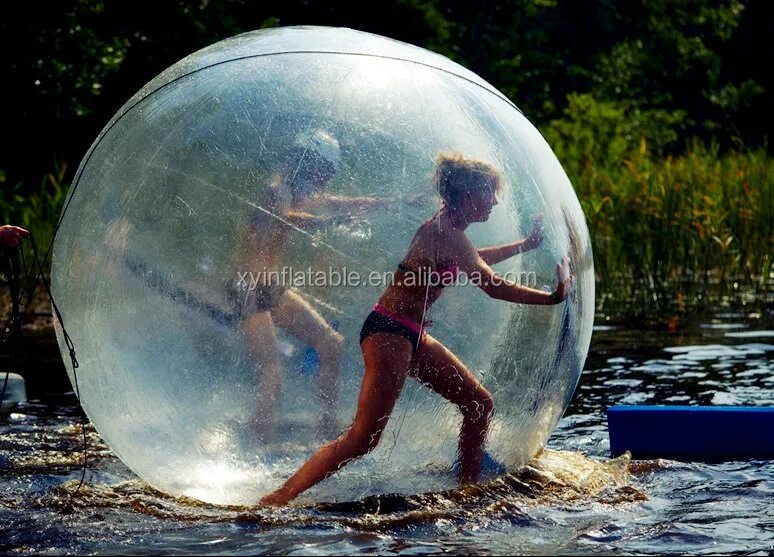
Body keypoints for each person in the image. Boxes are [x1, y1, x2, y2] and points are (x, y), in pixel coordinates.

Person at [259, 152, 574, 506]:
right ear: (468, 196)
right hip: (389, 334)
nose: (496, 201)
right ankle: (278, 498)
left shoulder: (450, 232)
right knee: (362, 439)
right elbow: (491, 283)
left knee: (478, 404)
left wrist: (525, 245)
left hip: (408, 333)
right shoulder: (444, 232)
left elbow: (474, 257)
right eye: (490, 193)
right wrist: (552, 297)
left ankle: (465, 494)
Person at [232, 129, 399, 441]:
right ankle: (256, 446)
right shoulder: (276, 191)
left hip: (267, 285)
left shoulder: (299, 193)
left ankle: (328, 431)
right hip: (246, 287)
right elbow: (288, 218)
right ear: (306, 163)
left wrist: (396, 203)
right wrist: (331, 222)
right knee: (272, 373)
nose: (326, 181)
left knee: (331, 344)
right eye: (324, 172)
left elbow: (345, 203)